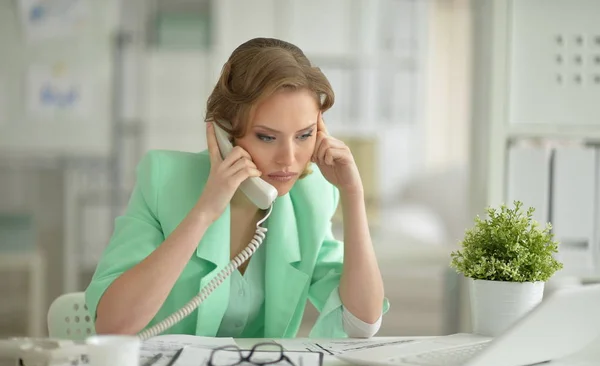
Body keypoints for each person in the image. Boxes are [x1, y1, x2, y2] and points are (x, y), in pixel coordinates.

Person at [85, 38, 388, 339]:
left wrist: (352, 194)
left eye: (304, 135)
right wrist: (205, 212)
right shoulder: (164, 180)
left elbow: (363, 323)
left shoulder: (311, 197)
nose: (289, 159)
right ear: (225, 132)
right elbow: (112, 326)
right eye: (267, 137)